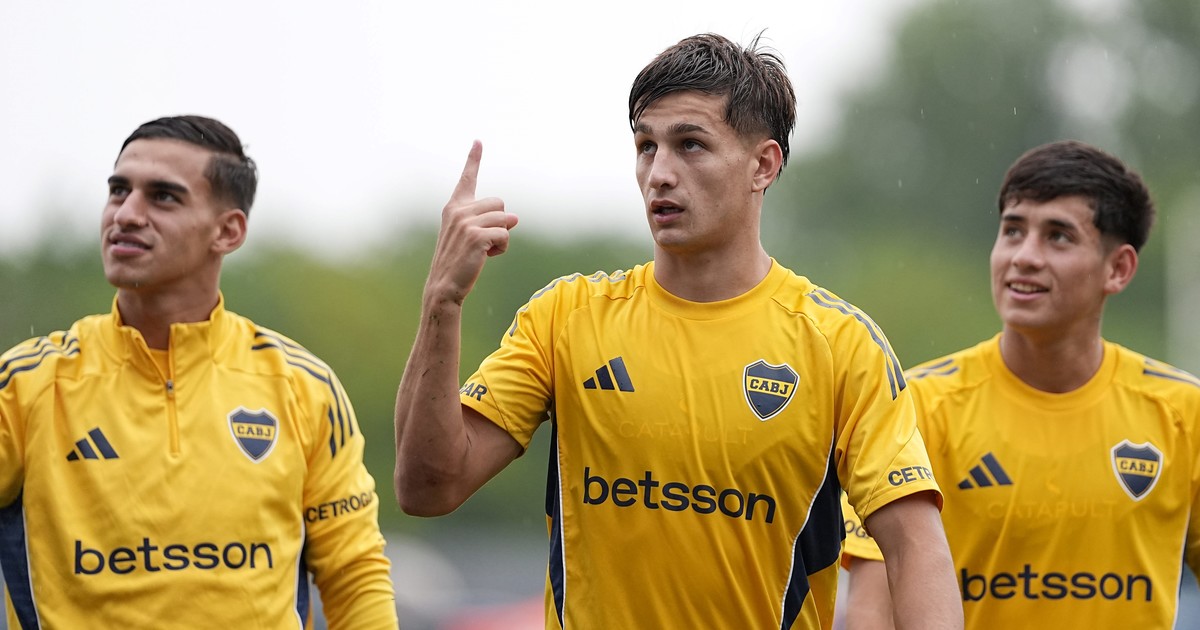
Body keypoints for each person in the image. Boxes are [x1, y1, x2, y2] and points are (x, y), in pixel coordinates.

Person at [393, 33, 962, 629]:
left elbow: (914, 547)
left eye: (691, 145)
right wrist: (442, 301)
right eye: (646, 146)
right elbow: (427, 487)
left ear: (763, 165)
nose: (659, 173)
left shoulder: (841, 345)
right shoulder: (565, 317)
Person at [0, 115, 399, 628]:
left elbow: (354, 573)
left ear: (228, 231)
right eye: (118, 191)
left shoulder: (302, 385)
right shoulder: (27, 383)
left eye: (163, 197)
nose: (127, 214)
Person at [839, 140, 1200, 628]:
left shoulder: (1182, 413)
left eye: (1058, 237)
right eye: (1013, 231)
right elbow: (871, 609)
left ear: (1118, 269)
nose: (1024, 257)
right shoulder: (916, 405)